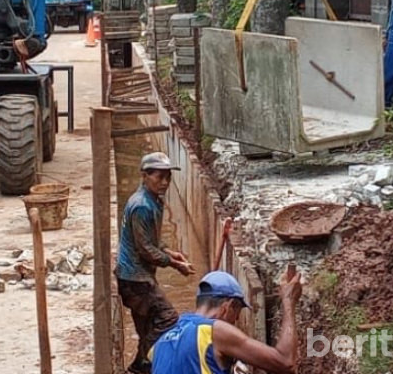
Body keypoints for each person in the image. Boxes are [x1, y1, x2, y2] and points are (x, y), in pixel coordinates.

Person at [116, 152, 196, 374]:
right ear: (144, 176)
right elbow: (146, 250)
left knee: (146, 328)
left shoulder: (152, 201)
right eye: (159, 177)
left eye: (167, 177)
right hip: (135, 278)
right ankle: (141, 364)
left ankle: (145, 366)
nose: (164, 183)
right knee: (168, 318)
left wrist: (171, 253)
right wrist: (174, 264)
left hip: (136, 276)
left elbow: (153, 241)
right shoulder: (142, 205)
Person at [151, 268, 302, 374]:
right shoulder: (214, 332)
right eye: (237, 312)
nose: (236, 319)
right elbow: (286, 361)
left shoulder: (160, 343)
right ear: (227, 306)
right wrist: (288, 301)